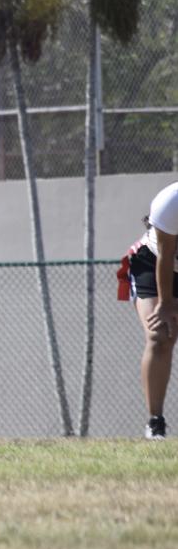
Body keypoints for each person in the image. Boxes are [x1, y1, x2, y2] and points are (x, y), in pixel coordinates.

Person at [117, 180, 178, 439]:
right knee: (160, 335)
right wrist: (165, 304)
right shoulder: (171, 201)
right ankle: (155, 422)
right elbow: (165, 255)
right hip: (154, 264)